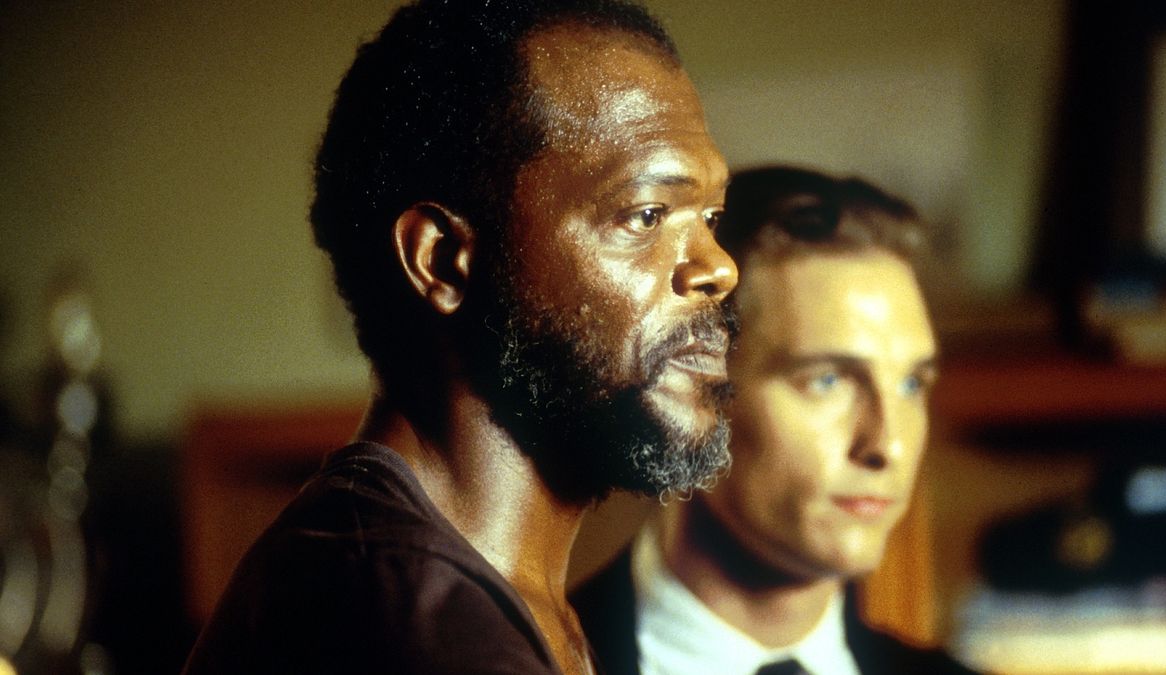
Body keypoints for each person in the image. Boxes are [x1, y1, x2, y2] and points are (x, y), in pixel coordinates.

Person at [182, 1, 737, 673]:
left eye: (711, 217)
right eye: (646, 215)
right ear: (443, 260)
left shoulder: (470, 591)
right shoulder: (412, 622)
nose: (719, 267)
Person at [572, 166, 975, 674]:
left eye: (912, 384)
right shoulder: (526, 660)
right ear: (687, 392)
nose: (887, 445)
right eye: (827, 380)